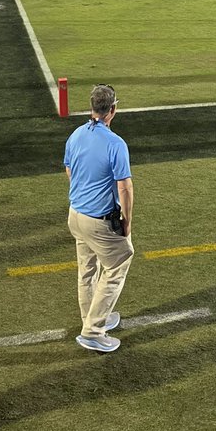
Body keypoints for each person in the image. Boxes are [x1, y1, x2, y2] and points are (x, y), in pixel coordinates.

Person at [64, 84, 134, 354]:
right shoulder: (115, 143)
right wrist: (127, 220)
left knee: (87, 270)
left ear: (92, 107)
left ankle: (94, 316)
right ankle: (93, 331)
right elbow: (125, 187)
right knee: (119, 263)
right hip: (98, 221)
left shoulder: (76, 134)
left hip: (75, 216)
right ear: (113, 109)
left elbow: (69, 168)